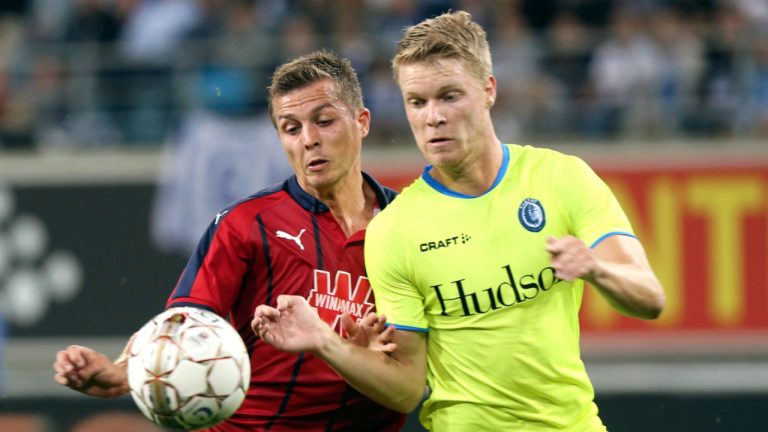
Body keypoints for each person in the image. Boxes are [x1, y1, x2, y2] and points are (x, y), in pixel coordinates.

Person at [252, 11, 666, 432]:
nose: (433, 117)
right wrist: (326, 343)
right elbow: (408, 388)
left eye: (449, 96)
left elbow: (649, 298)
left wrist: (597, 269)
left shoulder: (562, 177)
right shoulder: (395, 230)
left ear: (488, 90)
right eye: (417, 102)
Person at [53, 50, 406, 432]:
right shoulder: (246, 224)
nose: (309, 140)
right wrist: (125, 372)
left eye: (324, 121)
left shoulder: (410, 225)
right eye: (291, 128)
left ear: (362, 121)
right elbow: (183, 322)